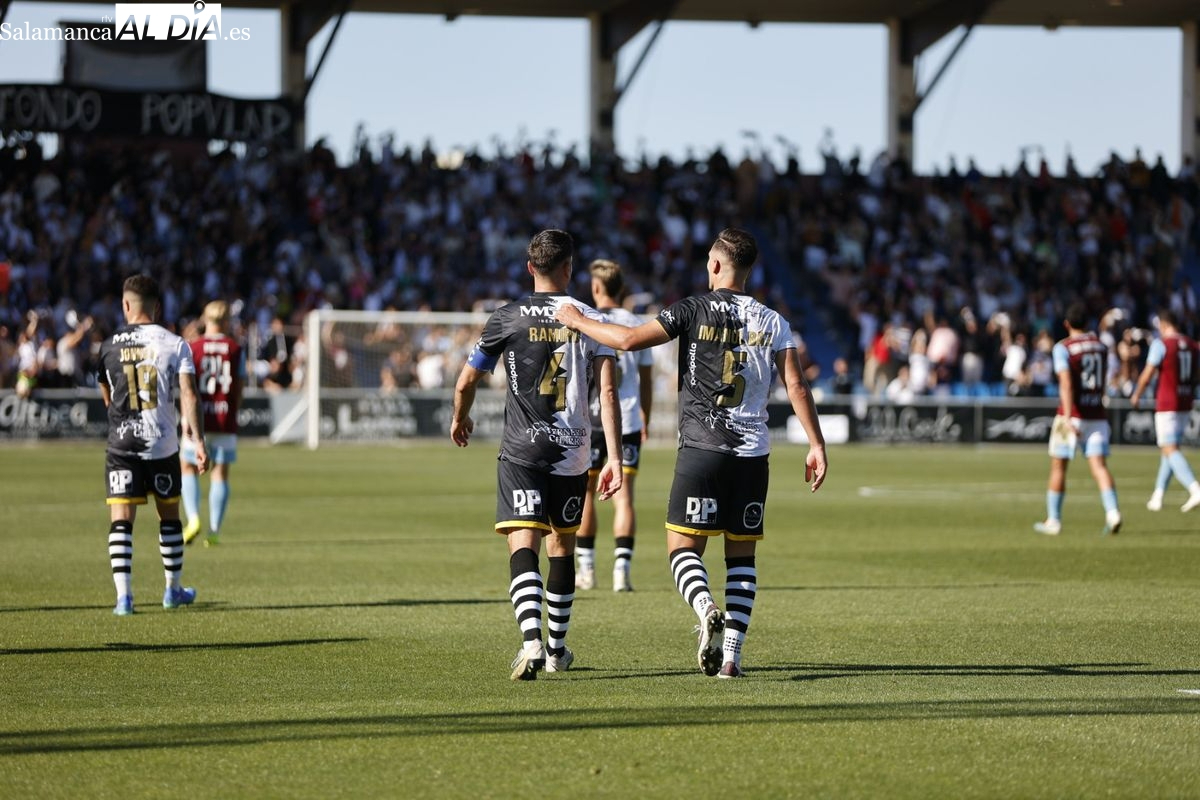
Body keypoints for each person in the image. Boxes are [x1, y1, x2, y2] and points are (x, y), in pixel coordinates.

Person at [556, 227, 828, 679]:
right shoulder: (774, 320)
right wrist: (816, 444)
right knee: (742, 558)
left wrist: (576, 319)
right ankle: (732, 658)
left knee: (683, 550)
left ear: (717, 265)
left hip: (702, 448)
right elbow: (796, 384)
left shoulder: (692, 308)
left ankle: (704, 606)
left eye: (708, 260)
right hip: (752, 454)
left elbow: (626, 340)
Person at [450, 229, 624, 681]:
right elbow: (607, 391)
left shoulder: (506, 317)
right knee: (561, 545)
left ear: (530, 268)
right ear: (569, 267)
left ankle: (529, 642)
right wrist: (615, 457)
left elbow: (466, 381)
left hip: (522, 448)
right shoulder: (588, 316)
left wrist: (460, 417)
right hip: (573, 450)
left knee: (521, 540)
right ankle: (556, 649)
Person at [97, 275, 208, 615]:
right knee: (169, 517)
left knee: (121, 518)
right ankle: (172, 591)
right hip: (162, 444)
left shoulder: (108, 346)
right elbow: (189, 394)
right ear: (158, 307)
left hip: (121, 444)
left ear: (126, 305)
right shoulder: (176, 344)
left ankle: (124, 598)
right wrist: (198, 440)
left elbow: (107, 396)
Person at [575, 259, 655, 593]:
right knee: (625, 499)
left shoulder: (588, 321)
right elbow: (647, 380)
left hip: (593, 419)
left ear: (596, 288)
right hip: (629, 420)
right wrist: (645, 417)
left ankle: (587, 570)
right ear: (621, 289)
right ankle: (621, 571)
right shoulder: (636, 323)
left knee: (587, 496)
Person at [1033, 303, 1123, 536]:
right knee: (1099, 466)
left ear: (1066, 324)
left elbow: (1066, 383)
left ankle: (1054, 520)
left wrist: (1069, 416)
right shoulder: (1101, 347)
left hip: (1071, 415)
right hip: (1097, 415)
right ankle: (1113, 512)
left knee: (1058, 466)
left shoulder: (1064, 348)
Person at [181, 300, 245, 547]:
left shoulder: (193, 348)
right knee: (220, 472)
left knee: (187, 466)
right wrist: (232, 412)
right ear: (227, 320)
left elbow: (188, 388)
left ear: (205, 319)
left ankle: (193, 518)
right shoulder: (235, 349)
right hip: (224, 416)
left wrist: (186, 417)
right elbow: (238, 389)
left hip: (199, 418)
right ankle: (214, 530)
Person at [1130, 309, 1200, 512]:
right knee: (1169, 449)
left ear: (1163, 324)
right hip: (1185, 401)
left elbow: (1148, 373)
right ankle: (1158, 495)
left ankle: (1195, 488)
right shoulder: (1192, 345)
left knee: (1170, 449)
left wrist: (1137, 394)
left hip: (1167, 402)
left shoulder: (1161, 344)